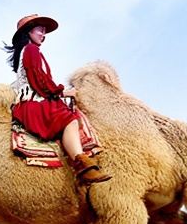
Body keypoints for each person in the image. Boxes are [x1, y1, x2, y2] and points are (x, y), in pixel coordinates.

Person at [6, 14, 111, 184]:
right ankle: (82, 164)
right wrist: (63, 92)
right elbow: (39, 80)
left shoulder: (29, 51)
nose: (43, 34)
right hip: (34, 103)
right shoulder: (31, 50)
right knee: (70, 119)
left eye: (44, 31)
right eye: (39, 29)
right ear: (29, 32)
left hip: (35, 99)